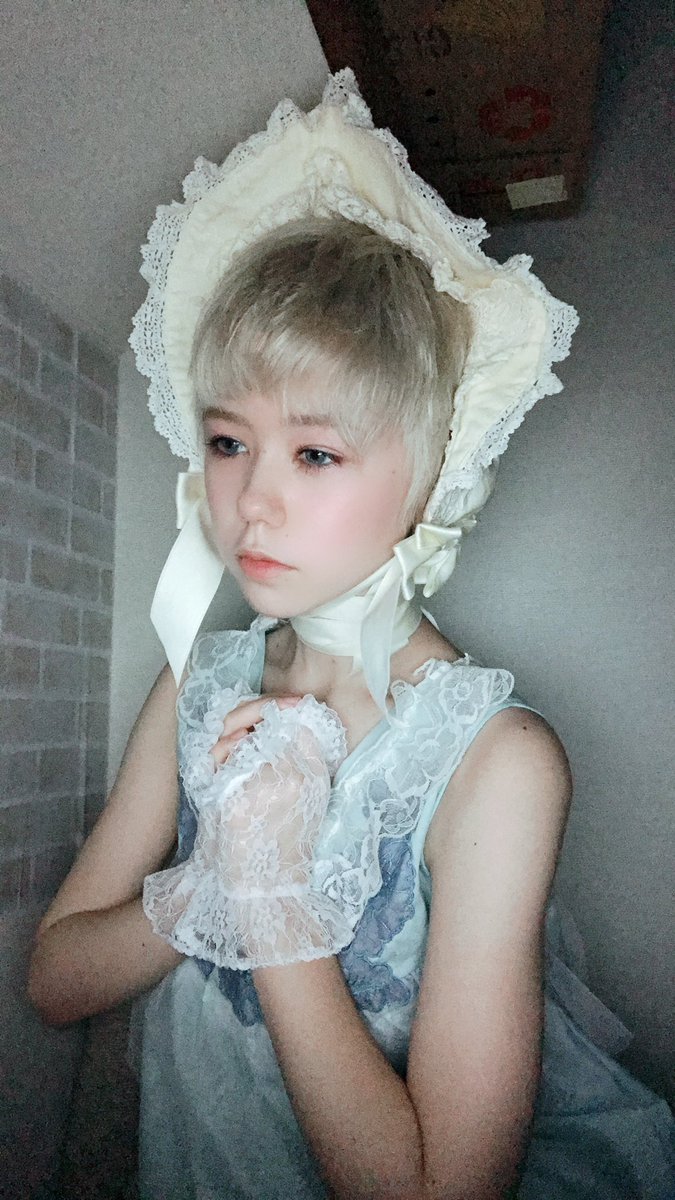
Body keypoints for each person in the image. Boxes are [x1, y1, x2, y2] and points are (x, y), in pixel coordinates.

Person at [28, 71, 674, 1200]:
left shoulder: (495, 761)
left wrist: (276, 896)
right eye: (228, 442)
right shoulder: (199, 682)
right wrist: (210, 885)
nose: (252, 501)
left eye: (316, 453)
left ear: (430, 478)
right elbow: (55, 980)